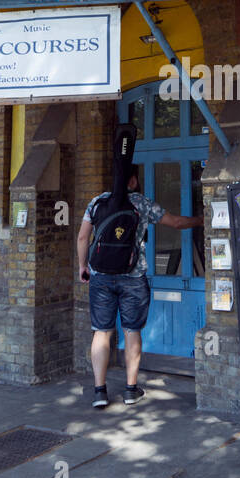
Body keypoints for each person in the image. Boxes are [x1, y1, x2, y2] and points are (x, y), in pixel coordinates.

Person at [77, 165, 201, 408]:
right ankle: (131, 390)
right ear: (132, 180)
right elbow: (176, 223)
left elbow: (83, 237)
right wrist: (201, 219)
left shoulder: (96, 202)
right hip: (133, 277)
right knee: (132, 331)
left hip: (100, 276)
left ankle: (100, 392)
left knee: (101, 332)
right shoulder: (142, 203)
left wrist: (83, 266)